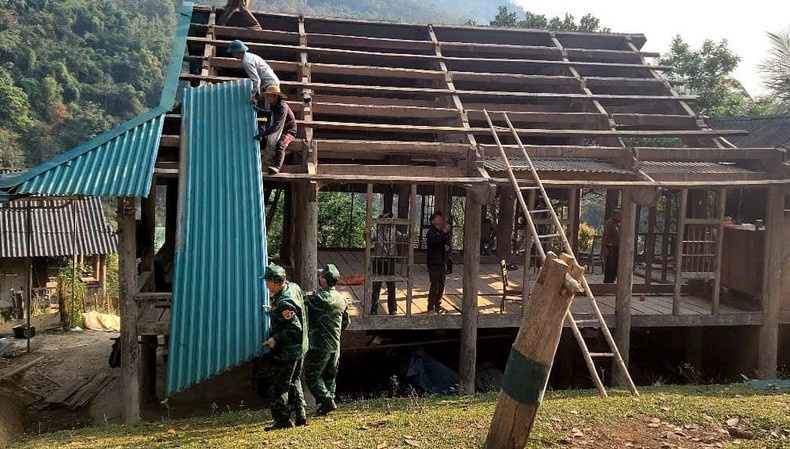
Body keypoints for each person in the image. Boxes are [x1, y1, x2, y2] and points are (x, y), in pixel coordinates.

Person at [263, 265, 309, 430]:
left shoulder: (284, 303)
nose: (267, 285)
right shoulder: (293, 287)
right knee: (294, 380)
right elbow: (300, 303)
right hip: (301, 347)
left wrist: (276, 338)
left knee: (279, 385)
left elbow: (293, 328)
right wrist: (275, 309)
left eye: (268, 282)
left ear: (275, 283)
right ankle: (301, 413)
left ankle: (282, 420)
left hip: (289, 351)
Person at [304, 264, 350, 416]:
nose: (319, 278)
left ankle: (327, 401)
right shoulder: (342, 299)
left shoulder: (318, 297)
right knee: (330, 377)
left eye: (321, 276)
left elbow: (301, 298)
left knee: (312, 377)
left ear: (324, 280)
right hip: (335, 344)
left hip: (320, 345)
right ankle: (327, 406)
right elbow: (345, 323)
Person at [227, 40, 280, 107]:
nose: (233, 55)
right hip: (271, 82)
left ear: (239, 52)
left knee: (270, 110)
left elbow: (256, 80)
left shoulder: (247, 62)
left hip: (270, 85)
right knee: (270, 109)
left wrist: (254, 96)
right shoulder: (250, 56)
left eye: (233, 53)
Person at [256, 85, 297, 174]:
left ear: (275, 96)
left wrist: (264, 134)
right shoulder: (274, 105)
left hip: (289, 131)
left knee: (281, 145)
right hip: (279, 130)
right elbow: (271, 115)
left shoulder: (282, 107)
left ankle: (277, 166)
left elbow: (276, 125)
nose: (267, 97)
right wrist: (259, 111)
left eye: (269, 95)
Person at [371, 213, 403, 315]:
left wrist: (411, 234)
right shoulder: (376, 231)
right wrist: (365, 233)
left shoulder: (393, 230)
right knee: (376, 284)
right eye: (386, 218)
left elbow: (402, 237)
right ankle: (374, 308)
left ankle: (392, 309)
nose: (388, 220)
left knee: (391, 284)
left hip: (390, 259)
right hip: (379, 259)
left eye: (389, 218)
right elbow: (370, 238)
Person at [426, 211, 451, 314]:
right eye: (437, 218)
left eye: (440, 217)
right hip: (433, 262)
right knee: (434, 284)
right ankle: (430, 305)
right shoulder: (430, 232)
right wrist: (444, 232)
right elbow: (434, 241)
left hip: (441, 261)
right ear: (432, 221)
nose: (439, 219)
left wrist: (448, 248)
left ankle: (438, 304)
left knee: (442, 284)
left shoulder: (443, 233)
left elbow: (447, 244)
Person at [602, 210, 621, 284]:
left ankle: (612, 283)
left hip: (616, 248)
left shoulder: (618, 225)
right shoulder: (609, 224)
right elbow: (605, 236)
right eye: (618, 215)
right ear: (614, 214)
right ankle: (607, 284)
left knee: (615, 267)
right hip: (610, 247)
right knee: (610, 267)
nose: (619, 217)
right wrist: (604, 248)